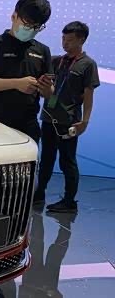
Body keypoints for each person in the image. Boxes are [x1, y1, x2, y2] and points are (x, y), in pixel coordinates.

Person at [33, 21, 100, 212]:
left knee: (67, 161)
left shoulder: (88, 64)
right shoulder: (56, 61)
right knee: (46, 160)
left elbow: (89, 95)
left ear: (82, 40)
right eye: (63, 39)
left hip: (70, 121)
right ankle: (39, 194)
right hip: (48, 118)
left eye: (69, 40)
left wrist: (84, 122)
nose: (65, 43)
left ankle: (69, 201)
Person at [0, 0, 54, 142]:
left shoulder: (43, 51)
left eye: (36, 27)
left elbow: (48, 93)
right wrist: (16, 83)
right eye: (27, 24)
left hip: (28, 124)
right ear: (14, 16)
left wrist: (47, 88)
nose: (31, 30)